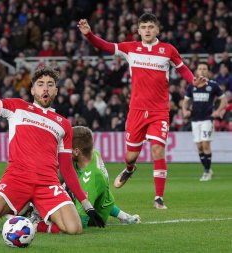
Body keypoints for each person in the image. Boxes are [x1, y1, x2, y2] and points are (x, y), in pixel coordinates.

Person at [0, 42, 104, 234]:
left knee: (75, 229)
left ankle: (32, 221)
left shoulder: (63, 123)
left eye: (50, 85)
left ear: (56, 90)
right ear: (32, 90)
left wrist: (86, 203)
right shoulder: (16, 107)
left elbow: (66, 168)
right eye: (40, 85)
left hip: (48, 184)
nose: (45, 89)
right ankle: (9, 211)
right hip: (17, 178)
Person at [78, 13, 208, 209]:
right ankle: (130, 168)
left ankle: (158, 198)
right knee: (130, 156)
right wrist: (89, 35)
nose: (147, 30)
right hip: (137, 111)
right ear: (138, 31)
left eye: (151, 27)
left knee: (158, 150)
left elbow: (182, 69)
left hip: (159, 111)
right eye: (144, 27)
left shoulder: (168, 50)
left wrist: (193, 81)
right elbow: (106, 46)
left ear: (157, 30)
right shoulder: (130, 48)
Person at [65, 126, 140, 227]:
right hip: (104, 202)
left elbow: (80, 223)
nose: (64, 149)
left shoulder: (89, 179)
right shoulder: (94, 154)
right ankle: (125, 217)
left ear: (77, 151)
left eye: (68, 147)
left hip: (94, 217)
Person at [182, 63, 228, 181]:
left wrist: (218, 111)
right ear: (196, 71)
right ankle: (208, 169)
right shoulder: (191, 85)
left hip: (208, 119)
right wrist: (184, 111)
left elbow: (224, 100)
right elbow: (185, 101)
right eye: (200, 68)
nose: (202, 70)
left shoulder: (213, 85)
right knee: (199, 147)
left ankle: (206, 172)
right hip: (195, 119)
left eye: (204, 69)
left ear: (208, 71)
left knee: (205, 144)